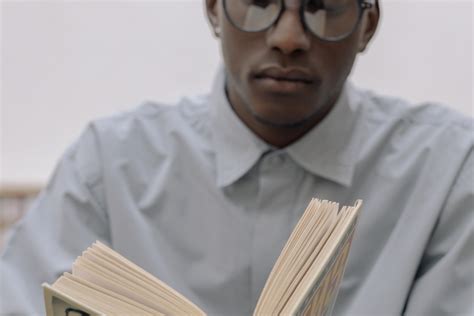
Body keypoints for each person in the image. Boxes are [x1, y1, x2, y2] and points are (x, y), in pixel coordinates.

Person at [1, 0, 473, 315]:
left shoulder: (450, 169)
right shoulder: (107, 163)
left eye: (322, 6)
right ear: (214, 10)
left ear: (366, 27)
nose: (289, 37)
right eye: (261, 2)